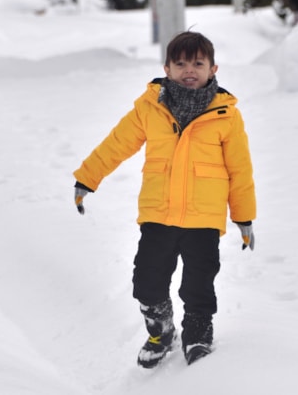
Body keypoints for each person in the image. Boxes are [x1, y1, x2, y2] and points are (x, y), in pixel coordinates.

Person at [72, 31, 257, 367]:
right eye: (181, 63)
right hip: (158, 214)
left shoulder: (226, 115)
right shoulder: (150, 108)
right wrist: (88, 176)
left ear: (213, 69)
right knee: (147, 281)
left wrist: (243, 217)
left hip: (203, 219)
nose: (189, 70)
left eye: (198, 63)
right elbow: (117, 144)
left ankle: (198, 335)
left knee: (199, 285)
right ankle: (161, 331)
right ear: (167, 69)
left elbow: (240, 170)